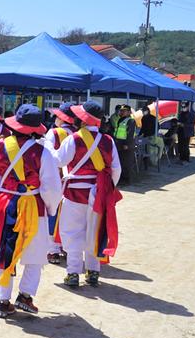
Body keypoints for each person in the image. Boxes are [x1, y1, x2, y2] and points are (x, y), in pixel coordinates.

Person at [0, 105, 62, 318]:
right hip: (32, 205)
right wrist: (50, 209)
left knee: (5, 252)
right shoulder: (44, 153)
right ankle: (25, 296)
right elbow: (51, 187)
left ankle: (2, 301)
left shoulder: (1, 146)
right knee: (35, 254)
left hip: (4, 204)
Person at [53, 101, 123, 288]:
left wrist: (48, 148)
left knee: (72, 231)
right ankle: (93, 272)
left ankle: (73, 272)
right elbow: (116, 169)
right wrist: (106, 189)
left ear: (82, 119)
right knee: (95, 230)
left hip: (75, 192)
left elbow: (59, 161)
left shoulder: (73, 139)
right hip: (99, 194)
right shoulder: (108, 141)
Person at [42, 102, 76, 265]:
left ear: (62, 118)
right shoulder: (79, 134)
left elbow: (47, 156)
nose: (55, 118)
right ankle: (66, 247)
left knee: (52, 213)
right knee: (69, 216)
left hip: (55, 178)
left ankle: (52, 249)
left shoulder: (54, 133)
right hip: (73, 180)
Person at [111, 104, 136, 185]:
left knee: (126, 163)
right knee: (120, 162)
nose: (121, 112)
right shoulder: (120, 119)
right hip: (119, 143)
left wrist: (127, 144)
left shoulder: (131, 121)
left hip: (126, 144)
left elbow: (130, 134)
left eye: (123, 111)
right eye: (121, 110)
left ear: (129, 112)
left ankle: (127, 180)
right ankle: (121, 179)